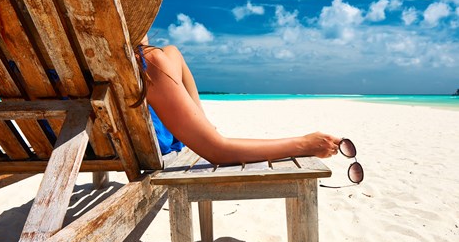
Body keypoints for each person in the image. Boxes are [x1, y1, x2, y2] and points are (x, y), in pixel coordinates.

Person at [137, 39, 341, 165]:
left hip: (111, 146)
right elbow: (219, 152)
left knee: (172, 50)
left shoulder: (125, 63)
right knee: (169, 53)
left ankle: (202, 122)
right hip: (150, 142)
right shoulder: (150, 63)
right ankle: (202, 124)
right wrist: (305, 144)